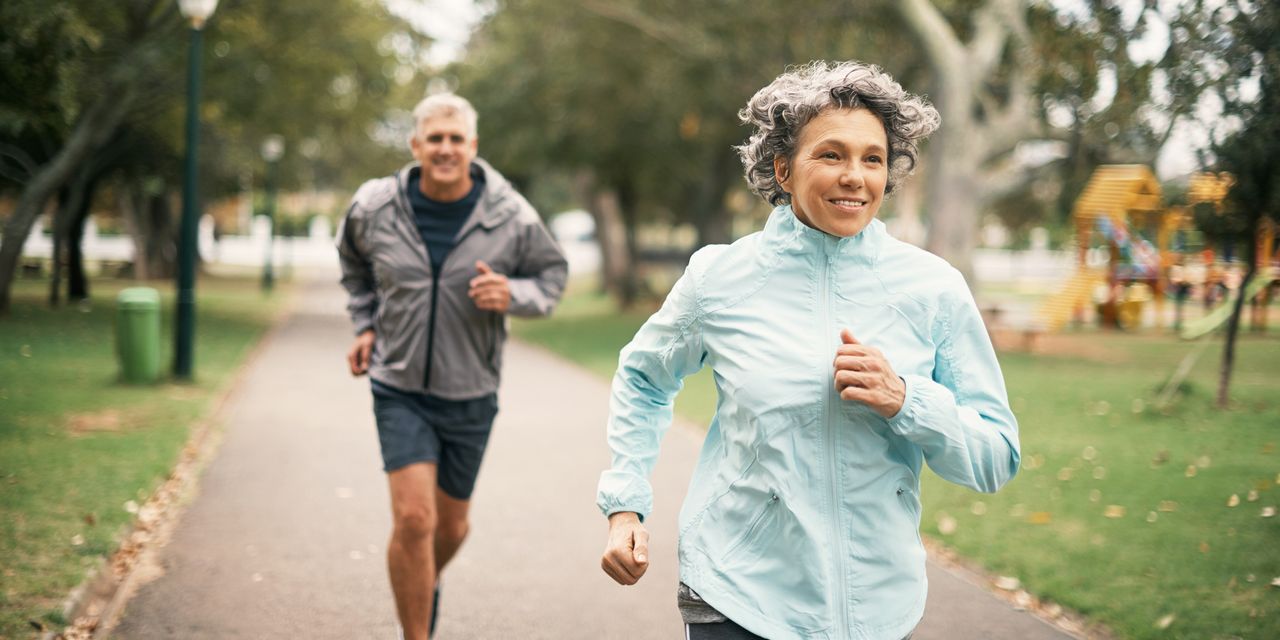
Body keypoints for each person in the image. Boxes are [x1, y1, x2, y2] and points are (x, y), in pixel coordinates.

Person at [597, 61, 1020, 640]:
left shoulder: (933, 288)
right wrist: (626, 505)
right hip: (736, 591)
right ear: (783, 169)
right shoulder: (720, 277)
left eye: (872, 158)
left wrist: (907, 401)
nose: (855, 176)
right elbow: (644, 379)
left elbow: (997, 456)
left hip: (877, 608)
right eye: (831, 154)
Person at [338, 92, 567, 640]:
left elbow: (552, 279)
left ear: (473, 146)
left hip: (471, 390)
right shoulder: (374, 206)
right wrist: (365, 323)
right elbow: (353, 263)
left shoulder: (509, 214)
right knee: (414, 520)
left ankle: (417, 580)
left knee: (452, 526)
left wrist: (510, 291)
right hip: (399, 385)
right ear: (416, 144)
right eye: (434, 138)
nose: (445, 149)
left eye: (455, 139)